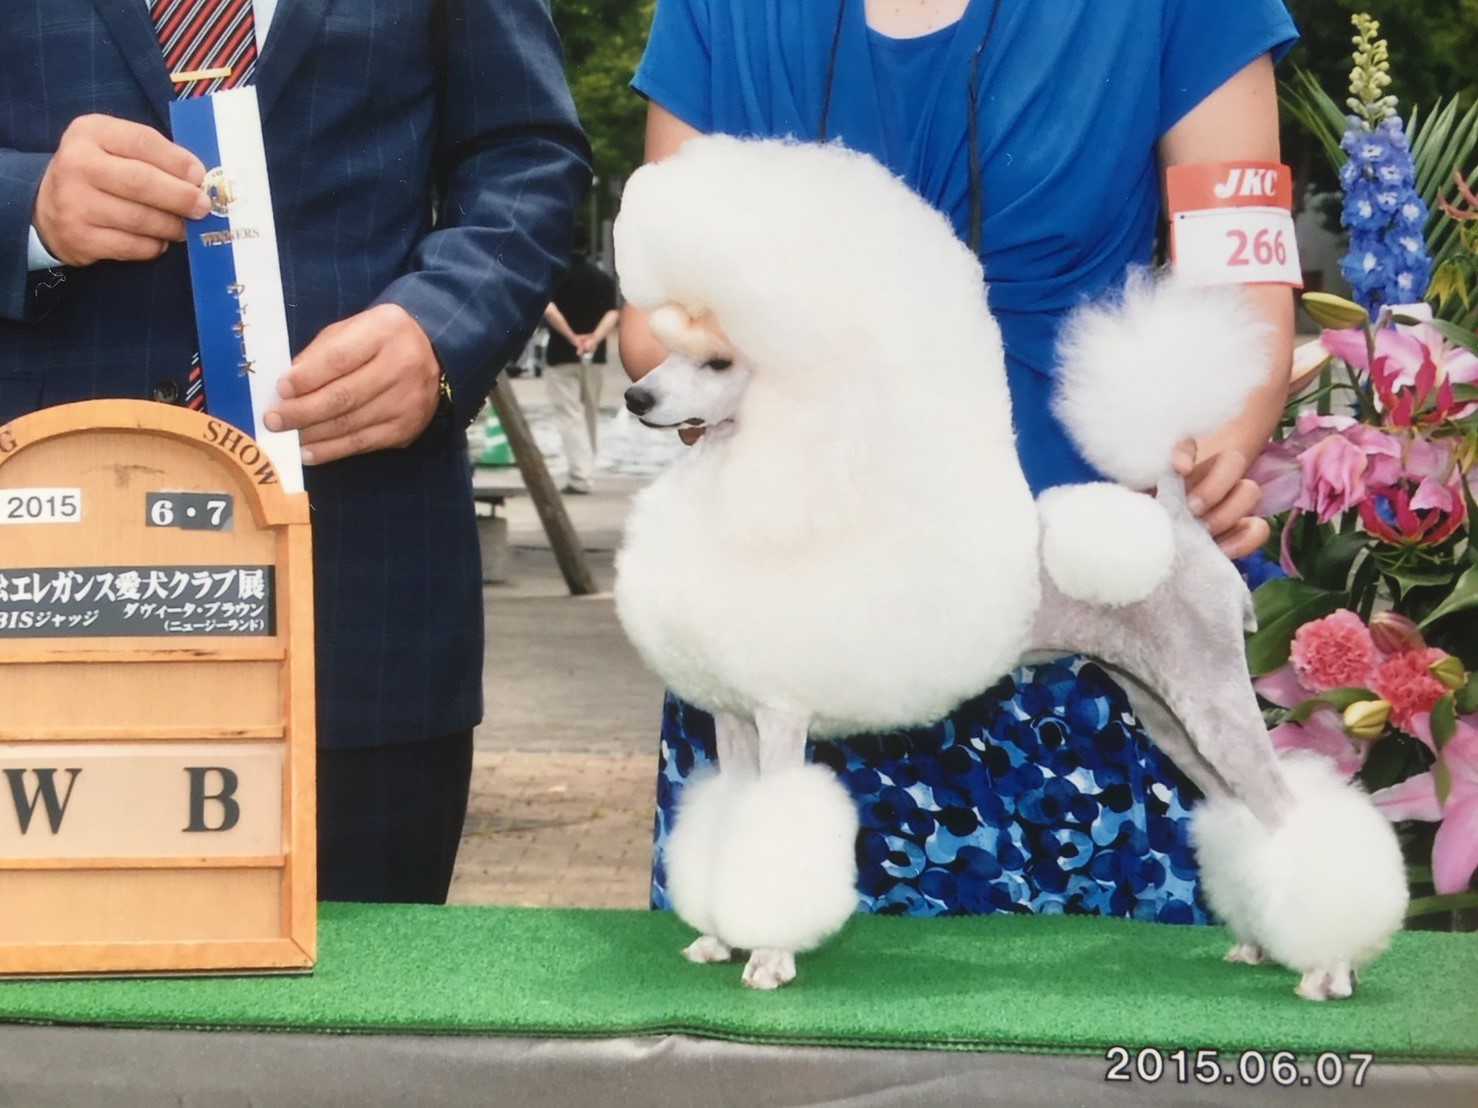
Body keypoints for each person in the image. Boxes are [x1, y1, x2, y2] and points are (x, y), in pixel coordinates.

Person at [619, 0, 1297, 920]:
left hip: (1083, 615)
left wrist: (1206, 461)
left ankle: (1305, 906)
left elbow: (1242, 275)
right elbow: (655, 314)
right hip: (799, 603)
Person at [0, 0, 590, 903]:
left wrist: (442, 331)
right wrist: (25, 207)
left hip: (360, 605)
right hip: (44, 584)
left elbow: (528, 156)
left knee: (359, 1028)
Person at [543, 248, 620, 494]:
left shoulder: (555, 277)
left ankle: (579, 475)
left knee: (569, 414)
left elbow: (549, 309)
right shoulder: (602, 279)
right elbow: (612, 312)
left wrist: (571, 337)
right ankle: (587, 468)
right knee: (590, 413)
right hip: (594, 356)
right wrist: (594, 339)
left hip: (561, 354)